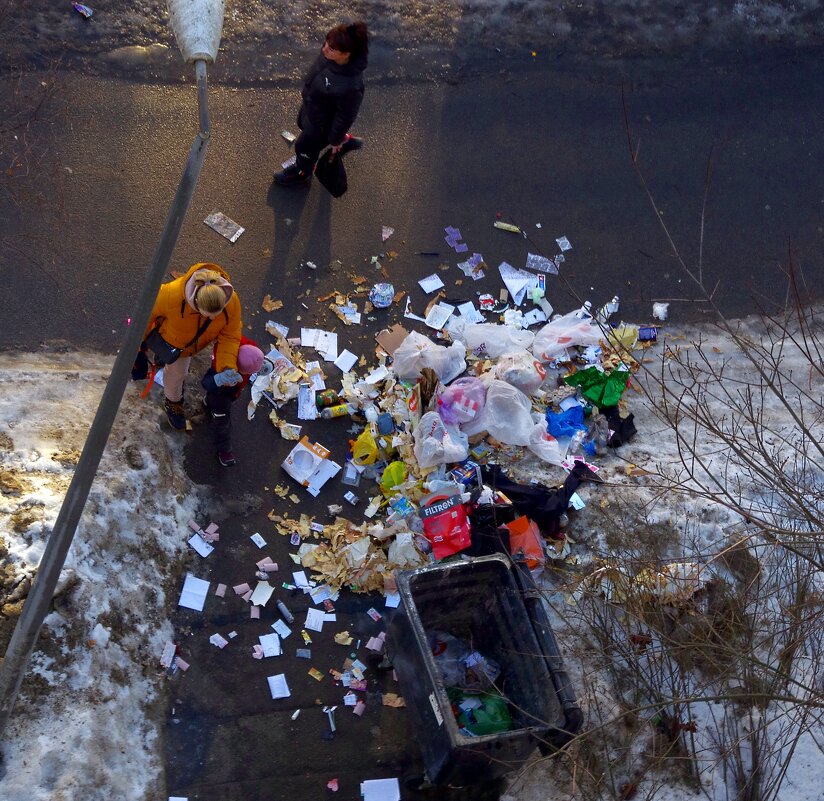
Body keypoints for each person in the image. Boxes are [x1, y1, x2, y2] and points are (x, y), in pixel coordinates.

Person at [134, 263, 243, 430]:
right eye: (208, 316)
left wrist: (226, 366)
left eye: (218, 314)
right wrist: (138, 346)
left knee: (171, 365)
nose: (214, 319)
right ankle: (173, 402)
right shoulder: (170, 295)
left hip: (193, 343)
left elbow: (230, 334)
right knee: (177, 375)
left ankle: (163, 358)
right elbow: (144, 316)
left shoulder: (231, 301)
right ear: (196, 302)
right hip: (174, 343)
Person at [274, 21, 369, 186]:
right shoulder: (329, 57)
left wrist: (334, 139)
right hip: (313, 110)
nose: (324, 48)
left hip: (322, 125)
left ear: (347, 54)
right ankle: (344, 140)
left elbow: (345, 116)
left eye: (331, 48)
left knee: (303, 148)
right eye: (326, 42)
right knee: (303, 126)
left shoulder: (351, 86)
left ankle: (302, 174)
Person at [201, 337, 264, 467]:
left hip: (231, 392)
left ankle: (207, 402)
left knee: (212, 398)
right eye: (250, 372)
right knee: (223, 424)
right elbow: (207, 382)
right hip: (221, 397)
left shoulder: (246, 348)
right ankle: (224, 450)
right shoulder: (221, 370)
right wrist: (220, 381)